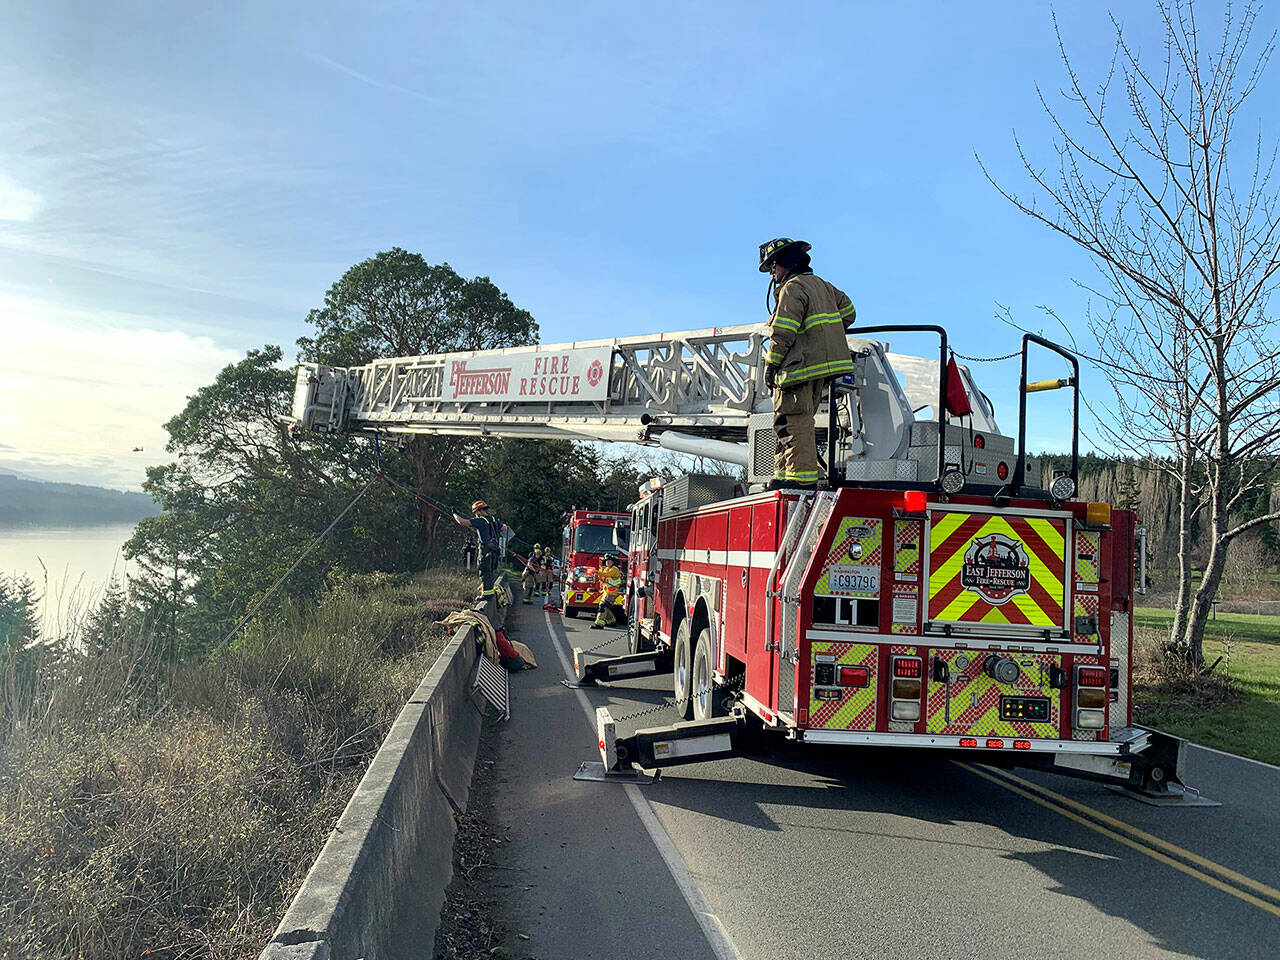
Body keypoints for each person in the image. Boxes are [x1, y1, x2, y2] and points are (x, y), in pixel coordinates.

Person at [757, 238, 857, 490]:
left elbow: (783, 332)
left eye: (773, 266)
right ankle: (784, 473)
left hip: (797, 368)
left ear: (787, 264)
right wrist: (826, 335)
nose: (772, 273)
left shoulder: (792, 288)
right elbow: (850, 313)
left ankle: (801, 480)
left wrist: (771, 364)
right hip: (818, 369)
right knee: (786, 422)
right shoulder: (824, 286)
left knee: (794, 421)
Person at [453, 500, 510, 596]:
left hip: (485, 550)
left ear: (479, 511)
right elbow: (504, 528)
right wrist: (500, 525)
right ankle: (489, 592)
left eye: (475, 513)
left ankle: (487, 596)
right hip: (495, 550)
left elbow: (462, 521)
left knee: (484, 571)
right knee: (490, 571)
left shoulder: (480, 520)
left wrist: (454, 514)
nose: (475, 515)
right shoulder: (493, 519)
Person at [589, 554, 626, 630]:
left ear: (613, 562)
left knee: (603, 606)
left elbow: (607, 575)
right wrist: (597, 574)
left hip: (611, 593)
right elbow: (602, 579)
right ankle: (611, 621)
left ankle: (599, 624)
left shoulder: (614, 570)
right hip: (606, 592)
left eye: (609, 561)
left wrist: (598, 572)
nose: (607, 563)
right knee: (606, 608)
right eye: (606, 561)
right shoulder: (606, 569)